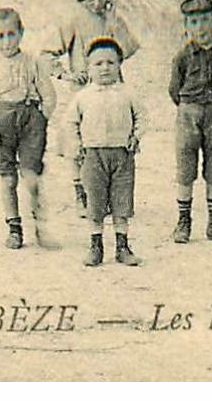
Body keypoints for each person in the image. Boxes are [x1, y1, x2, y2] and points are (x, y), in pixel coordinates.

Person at [44, 0, 141, 211]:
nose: (97, 3)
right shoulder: (73, 20)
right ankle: (81, 194)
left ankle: (107, 195)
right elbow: (46, 54)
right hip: (82, 92)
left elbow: (128, 48)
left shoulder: (113, 19)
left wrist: (113, 20)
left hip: (112, 91)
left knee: (110, 140)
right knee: (79, 143)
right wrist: (65, 73)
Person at [0, 7, 57, 250]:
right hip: (1, 125)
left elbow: (49, 95)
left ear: (21, 33)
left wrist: (40, 119)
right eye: (0, 36)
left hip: (30, 123)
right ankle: (14, 228)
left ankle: (41, 227)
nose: (7, 41)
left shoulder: (33, 63)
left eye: (11, 34)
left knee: (31, 178)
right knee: (8, 180)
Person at [66, 38, 143, 267]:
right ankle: (95, 246)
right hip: (93, 155)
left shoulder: (128, 94)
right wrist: (76, 144)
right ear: (88, 68)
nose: (105, 68)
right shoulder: (83, 97)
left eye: (110, 62)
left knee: (122, 201)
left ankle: (122, 246)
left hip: (122, 155)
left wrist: (135, 137)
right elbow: (70, 122)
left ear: (119, 64)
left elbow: (142, 117)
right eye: (98, 64)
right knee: (96, 202)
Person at [168, 0, 212, 244]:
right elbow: (174, 90)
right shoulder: (183, 56)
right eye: (194, 22)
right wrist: (191, 107)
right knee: (186, 169)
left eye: (205, 20)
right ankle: (183, 223)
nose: (200, 27)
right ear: (186, 26)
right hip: (189, 113)